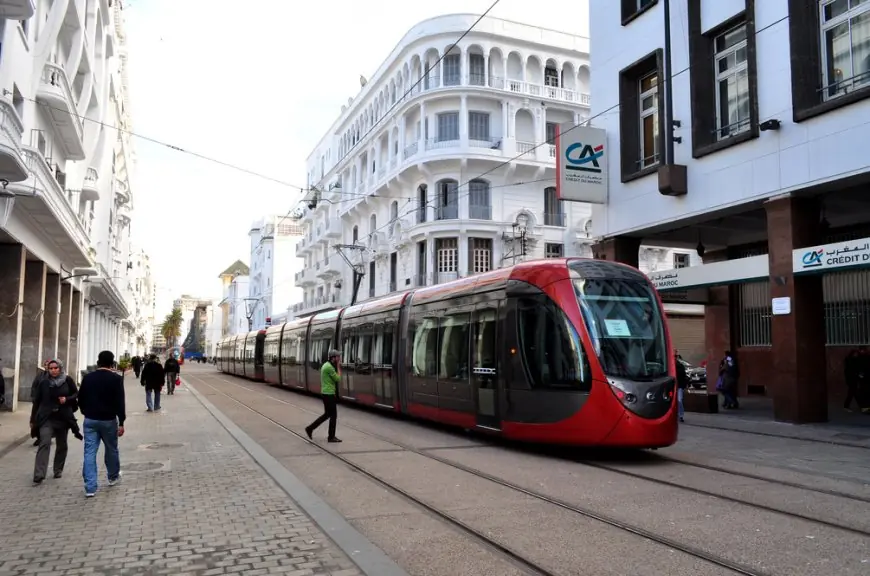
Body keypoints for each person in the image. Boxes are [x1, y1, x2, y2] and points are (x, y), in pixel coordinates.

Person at [78, 350, 126, 498]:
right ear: (112, 363)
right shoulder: (116, 379)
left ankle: (90, 487)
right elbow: (120, 401)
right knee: (111, 449)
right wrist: (121, 421)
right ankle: (112, 477)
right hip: (108, 420)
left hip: (90, 419)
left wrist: (85, 411)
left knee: (89, 452)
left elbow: (81, 398)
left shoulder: (88, 378)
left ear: (98, 362)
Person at [30, 359, 81, 485]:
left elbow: (76, 394)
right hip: (47, 417)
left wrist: (67, 399)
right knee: (45, 442)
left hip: (63, 417)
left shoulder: (67, 380)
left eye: (55, 368)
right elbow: (37, 401)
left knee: (62, 444)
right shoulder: (44, 382)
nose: (53, 370)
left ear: (60, 368)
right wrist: (32, 419)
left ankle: (58, 469)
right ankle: (39, 474)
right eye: (51, 368)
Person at [305, 349, 342, 443]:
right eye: (338, 357)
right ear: (333, 358)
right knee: (333, 415)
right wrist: (338, 366)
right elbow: (338, 378)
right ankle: (331, 437)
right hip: (329, 394)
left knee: (327, 414)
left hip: (326, 393)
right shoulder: (329, 367)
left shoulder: (326, 365)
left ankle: (310, 428)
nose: (339, 358)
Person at [675, 352, 688, 423]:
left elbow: (684, 377)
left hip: (679, 386)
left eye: (675, 357)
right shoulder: (670, 366)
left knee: (679, 400)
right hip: (673, 386)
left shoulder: (680, 366)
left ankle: (681, 415)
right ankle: (678, 414)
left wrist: (684, 386)